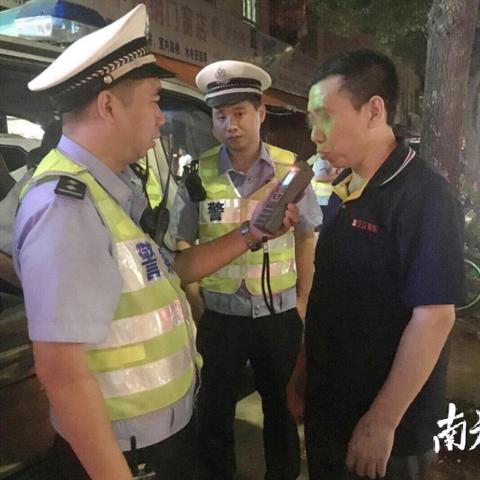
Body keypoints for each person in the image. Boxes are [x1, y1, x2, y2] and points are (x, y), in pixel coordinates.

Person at [14, 7, 298, 480]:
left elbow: (171, 271)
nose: (161, 118)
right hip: (128, 451)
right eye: (152, 101)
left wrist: (253, 233)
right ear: (108, 106)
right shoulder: (67, 207)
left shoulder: (110, 190)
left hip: (154, 437)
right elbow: (63, 375)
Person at [286, 49, 465, 480]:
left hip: (386, 433)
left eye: (325, 117)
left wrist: (382, 421)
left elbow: (434, 317)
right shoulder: (345, 187)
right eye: (311, 120)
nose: (315, 134)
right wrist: (303, 372)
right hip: (329, 408)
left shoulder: (424, 196)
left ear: (374, 110)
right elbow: (329, 293)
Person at [170, 60, 322, 480]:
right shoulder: (196, 174)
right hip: (219, 316)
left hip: (279, 314)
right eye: (221, 116)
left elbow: (307, 237)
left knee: (282, 411)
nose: (230, 125)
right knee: (213, 412)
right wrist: (196, 302)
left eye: (239, 113)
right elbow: (182, 243)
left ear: (261, 113)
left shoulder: (291, 171)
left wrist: (303, 302)